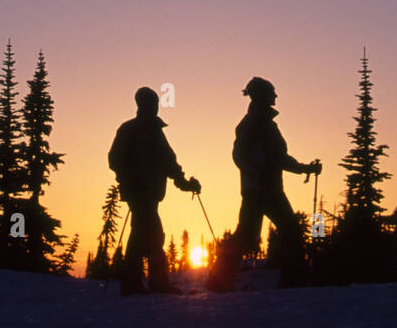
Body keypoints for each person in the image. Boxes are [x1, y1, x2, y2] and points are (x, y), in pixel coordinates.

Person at [206, 77, 321, 292]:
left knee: (252, 235)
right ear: (262, 96)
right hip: (262, 190)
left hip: (262, 189)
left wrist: (305, 168)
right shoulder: (253, 124)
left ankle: (218, 280)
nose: (276, 96)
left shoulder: (260, 123)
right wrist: (257, 173)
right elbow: (240, 155)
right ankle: (293, 280)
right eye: (272, 92)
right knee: (287, 232)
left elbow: (277, 158)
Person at [108, 86, 201, 295]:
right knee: (153, 235)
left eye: (156, 103)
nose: (155, 107)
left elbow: (169, 163)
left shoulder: (155, 132)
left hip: (150, 193)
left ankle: (133, 284)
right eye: (151, 103)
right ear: (141, 104)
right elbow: (115, 159)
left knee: (140, 235)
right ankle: (154, 283)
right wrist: (132, 178)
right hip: (138, 193)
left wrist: (186, 184)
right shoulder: (129, 129)